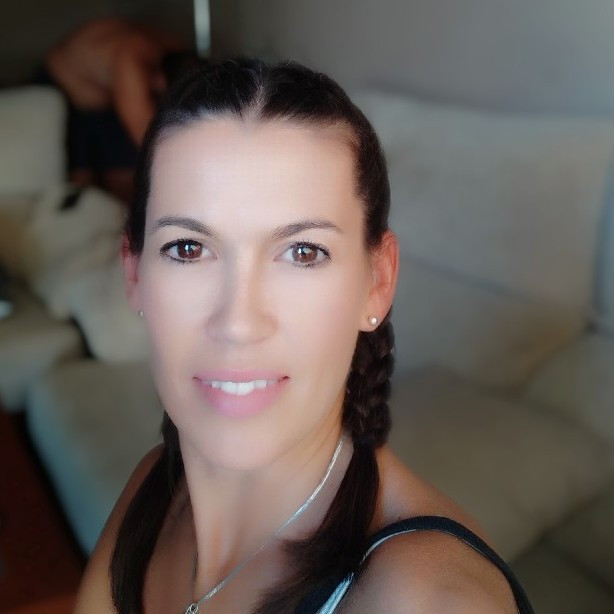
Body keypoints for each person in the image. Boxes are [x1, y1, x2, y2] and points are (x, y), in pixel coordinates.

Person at [73, 58, 533, 613]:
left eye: (303, 253)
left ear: (377, 282)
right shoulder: (152, 489)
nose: (238, 323)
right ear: (134, 273)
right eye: (188, 249)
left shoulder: (424, 599)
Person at [36, 18, 187, 203]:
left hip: (106, 98)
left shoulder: (177, 53)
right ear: (159, 78)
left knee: (126, 179)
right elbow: (146, 137)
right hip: (61, 92)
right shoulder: (133, 56)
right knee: (80, 185)